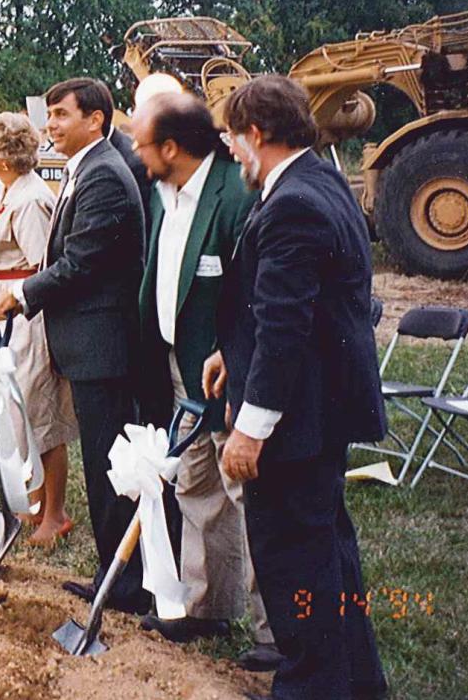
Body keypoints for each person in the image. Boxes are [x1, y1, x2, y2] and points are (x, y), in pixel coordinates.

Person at [209, 75, 387, 700]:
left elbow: (287, 329)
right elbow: (285, 309)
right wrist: (234, 356)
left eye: (231, 136)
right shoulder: (319, 181)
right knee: (329, 555)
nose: (229, 150)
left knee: (293, 563)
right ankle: (356, 681)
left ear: (256, 134)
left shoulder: (293, 203)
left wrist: (249, 431)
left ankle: (311, 686)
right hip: (320, 409)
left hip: (299, 420)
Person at [0, 77, 148, 613]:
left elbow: (80, 264)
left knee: (107, 465)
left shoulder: (102, 175)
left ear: (96, 120)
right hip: (89, 343)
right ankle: (114, 573)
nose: (49, 125)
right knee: (102, 465)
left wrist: (18, 296)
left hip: (104, 345)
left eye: (60, 115)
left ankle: (121, 582)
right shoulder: (88, 169)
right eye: (48, 115)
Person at [128, 93, 279, 670]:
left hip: (226, 369)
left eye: (143, 144)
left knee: (249, 494)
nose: (137, 155)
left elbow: (254, 295)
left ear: (171, 147)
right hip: (176, 363)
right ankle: (206, 603)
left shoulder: (234, 195)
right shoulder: (163, 193)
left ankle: (273, 631)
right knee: (195, 486)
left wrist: (230, 356)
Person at [0, 112, 79, 546]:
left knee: (39, 412)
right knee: (14, 413)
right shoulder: (1, 191)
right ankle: (29, 503)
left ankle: (53, 512)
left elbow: (44, 266)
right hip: (1, 312)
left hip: (27, 317)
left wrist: (13, 300)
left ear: (3, 153)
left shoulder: (32, 199)